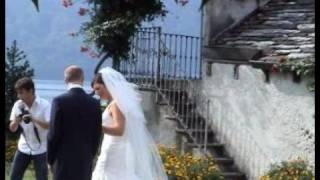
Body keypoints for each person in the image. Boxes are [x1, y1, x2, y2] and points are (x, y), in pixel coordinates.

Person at [91, 66, 168, 180]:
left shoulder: (116, 105)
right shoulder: (116, 103)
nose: (96, 93)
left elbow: (120, 129)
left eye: (98, 88)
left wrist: (97, 126)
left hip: (115, 150)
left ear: (107, 85)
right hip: (114, 147)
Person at [47, 65, 102, 180]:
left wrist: (50, 159)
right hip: (84, 159)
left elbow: (53, 134)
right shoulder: (95, 103)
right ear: (82, 80)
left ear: (65, 80)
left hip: (62, 160)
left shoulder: (59, 101)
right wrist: (90, 156)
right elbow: (96, 135)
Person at [9, 77, 51, 180]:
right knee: (14, 177)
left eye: (21, 93)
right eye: (18, 93)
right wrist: (17, 120)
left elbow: (49, 126)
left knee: (41, 178)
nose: (19, 96)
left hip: (42, 148)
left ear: (30, 91)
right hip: (24, 146)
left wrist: (33, 119)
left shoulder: (45, 105)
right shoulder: (17, 105)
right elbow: (12, 129)